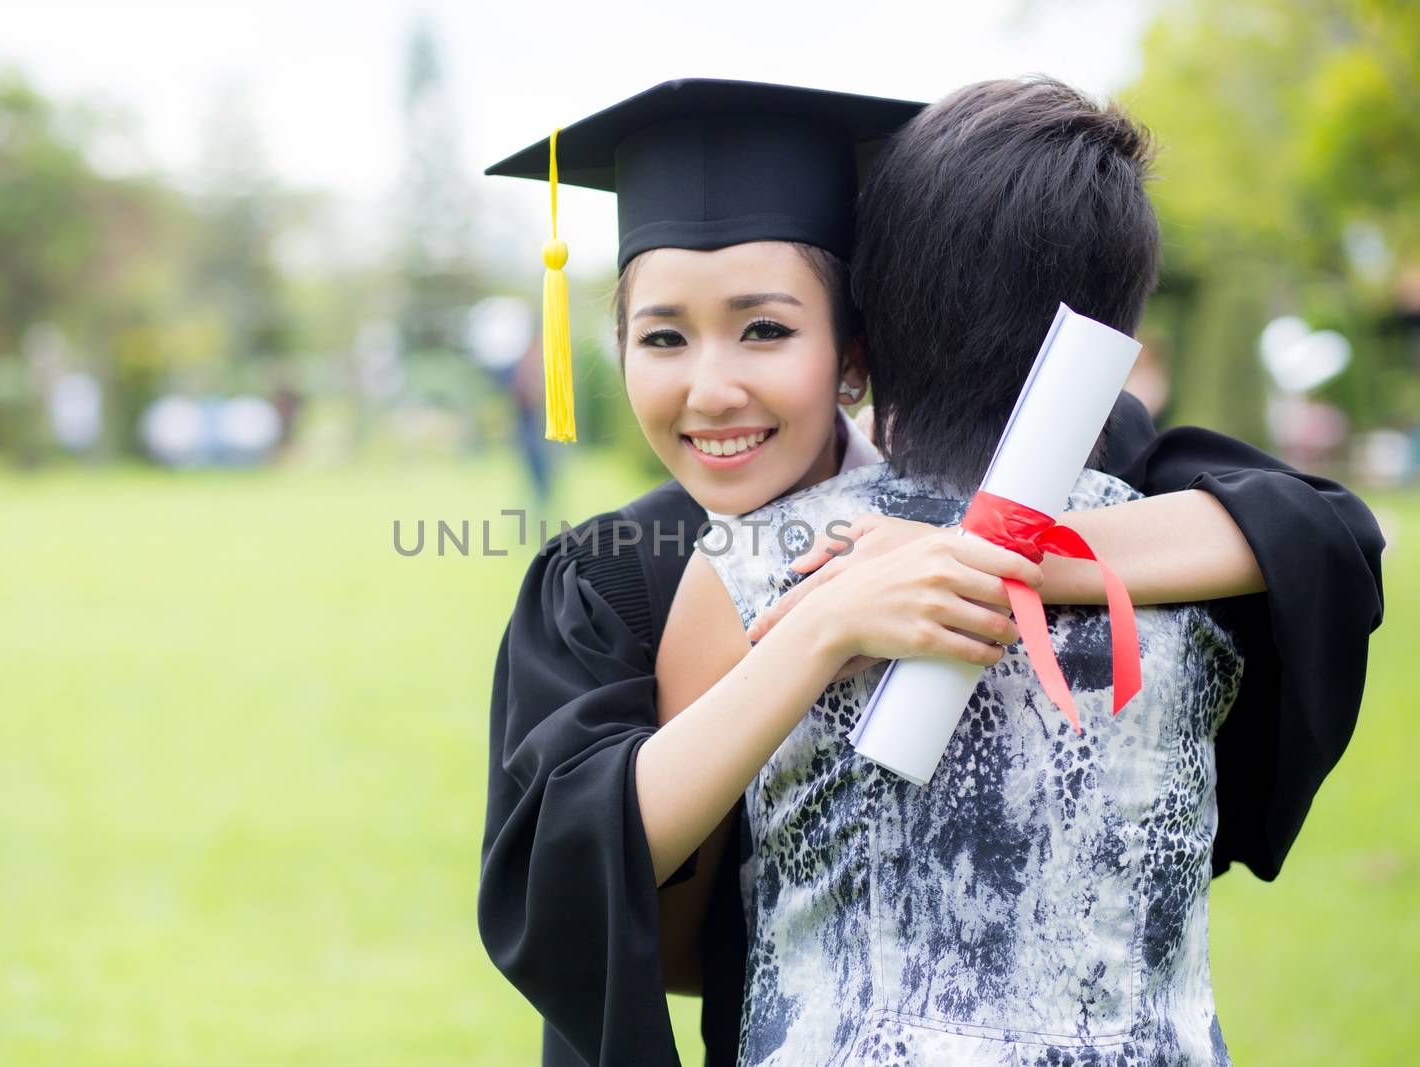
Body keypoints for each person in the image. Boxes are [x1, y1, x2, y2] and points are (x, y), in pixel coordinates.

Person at [477, 79, 1384, 1067]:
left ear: (855, 351)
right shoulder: (614, 574)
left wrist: (997, 549)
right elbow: (593, 905)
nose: (711, 387)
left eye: (767, 328)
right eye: (660, 336)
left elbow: (1311, 529)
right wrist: (826, 620)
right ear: (614, 350)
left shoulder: (1081, 472)